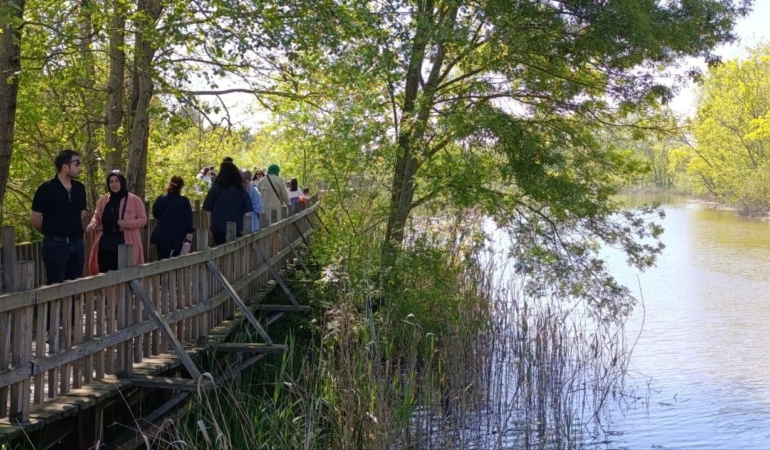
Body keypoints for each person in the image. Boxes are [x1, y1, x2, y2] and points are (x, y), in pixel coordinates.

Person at [30, 149, 88, 285]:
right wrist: (52, 233)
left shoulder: (80, 188)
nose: (80, 168)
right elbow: (35, 218)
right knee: (55, 285)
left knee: (75, 285)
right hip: (55, 245)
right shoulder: (46, 189)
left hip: (77, 243)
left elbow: (82, 212)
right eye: (77, 164)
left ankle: (73, 308)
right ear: (65, 166)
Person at [86, 171, 147, 274]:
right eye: (111, 182)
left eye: (116, 181)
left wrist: (127, 223)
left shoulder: (134, 200)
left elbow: (143, 220)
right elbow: (96, 217)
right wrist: (93, 224)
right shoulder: (103, 200)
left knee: (126, 274)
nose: (114, 184)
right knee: (104, 272)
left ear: (122, 182)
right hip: (105, 244)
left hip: (126, 243)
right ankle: (107, 290)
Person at [202, 161, 252, 245]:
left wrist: (210, 224)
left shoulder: (216, 188)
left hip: (218, 226)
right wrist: (245, 227)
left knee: (220, 249)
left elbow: (208, 208)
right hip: (238, 227)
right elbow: (247, 211)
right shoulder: (241, 189)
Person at [151, 176, 195, 259]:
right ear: (181, 187)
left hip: (162, 235)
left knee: (162, 260)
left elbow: (155, 214)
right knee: (177, 261)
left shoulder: (161, 199)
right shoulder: (184, 201)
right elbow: (188, 219)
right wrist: (190, 232)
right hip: (178, 237)